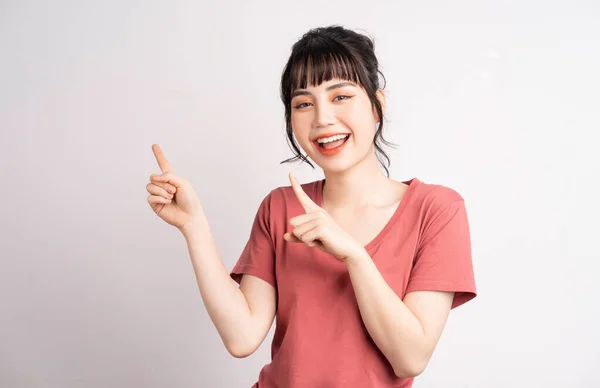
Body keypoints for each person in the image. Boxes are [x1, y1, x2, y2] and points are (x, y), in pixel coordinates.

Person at [147, 25, 476, 388]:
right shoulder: (279, 207)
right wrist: (193, 227)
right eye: (304, 103)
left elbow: (410, 357)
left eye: (340, 96)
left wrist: (354, 255)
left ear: (377, 105)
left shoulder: (436, 210)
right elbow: (242, 338)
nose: (322, 119)